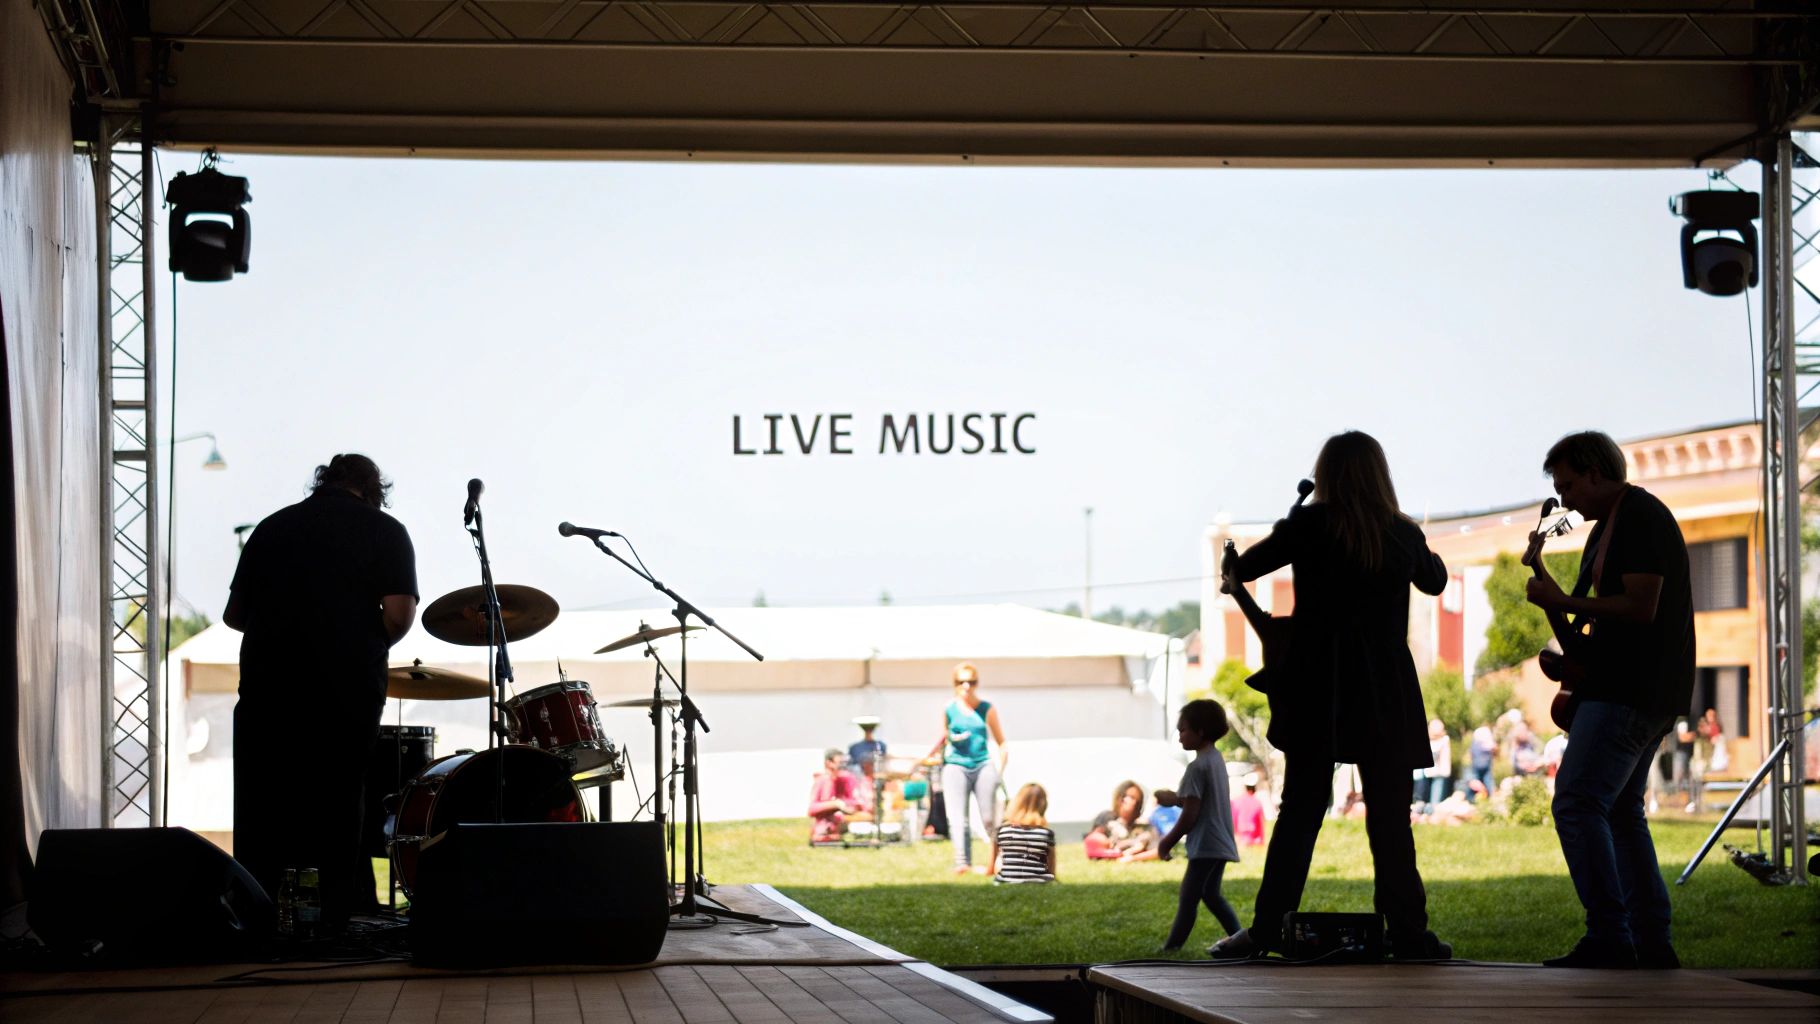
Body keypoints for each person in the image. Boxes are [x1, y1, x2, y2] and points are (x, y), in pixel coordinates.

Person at [1210, 431, 1451, 961]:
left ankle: (1268, 928)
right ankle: (1410, 933)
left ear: (1323, 476)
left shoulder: (1308, 526)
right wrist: (1412, 540)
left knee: (1300, 811)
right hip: (1385, 689)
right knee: (1390, 818)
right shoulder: (1402, 533)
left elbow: (1241, 571)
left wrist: (1279, 532)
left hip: (1320, 685)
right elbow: (1434, 582)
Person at [224, 454, 417, 929]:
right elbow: (398, 614)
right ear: (374, 490)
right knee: (338, 797)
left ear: (323, 483)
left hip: (270, 686)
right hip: (345, 686)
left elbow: (233, 615)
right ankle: (331, 920)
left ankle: (260, 918)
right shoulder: (385, 530)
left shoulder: (271, 528)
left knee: (264, 801)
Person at [1524, 430, 1694, 969]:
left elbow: (1641, 606)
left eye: (1569, 484)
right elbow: (1589, 634)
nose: (1566, 497)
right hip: (1636, 688)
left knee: (1577, 802)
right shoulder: (1607, 531)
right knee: (1620, 812)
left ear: (1597, 473)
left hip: (1631, 689)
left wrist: (1566, 599)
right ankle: (1649, 940)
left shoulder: (1639, 515)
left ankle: (1611, 936)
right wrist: (1553, 598)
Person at [1155, 699, 1241, 952]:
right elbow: (1199, 802)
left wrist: (1165, 842)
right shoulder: (1215, 759)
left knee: (1188, 897)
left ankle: (1171, 948)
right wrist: (1175, 799)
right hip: (1220, 839)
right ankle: (1240, 938)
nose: (1179, 736)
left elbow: (1191, 815)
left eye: (1183, 730)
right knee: (1211, 895)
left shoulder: (1196, 767)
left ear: (1200, 731)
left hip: (1206, 843)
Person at [925, 662, 1007, 874]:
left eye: (971, 681)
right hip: (955, 766)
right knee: (957, 817)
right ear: (954, 684)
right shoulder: (949, 709)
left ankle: (999, 861)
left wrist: (1000, 770)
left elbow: (1001, 743)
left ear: (977, 683)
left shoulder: (986, 709)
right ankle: (962, 862)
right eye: (961, 681)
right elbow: (944, 738)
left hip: (982, 764)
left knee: (989, 817)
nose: (966, 686)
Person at [992, 783, 1056, 884]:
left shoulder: (1002, 831)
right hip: (1039, 883)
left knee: (1002, 856)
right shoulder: (1046, 834)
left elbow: (992, 866)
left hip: (1005, 881)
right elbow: (1051, 869)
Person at [1088, 780, 1159, 861]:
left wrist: (1133, 858)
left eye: (1135, 798)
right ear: (1119, 797)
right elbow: (1093, 842)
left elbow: (1158, 851)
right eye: (1127, 796)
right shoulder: (1106, 817)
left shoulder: (1145, 827)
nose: (1130, 801)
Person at [808, 748, 864, 843]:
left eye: (844, 763)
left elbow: (857, 802)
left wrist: (844, 805)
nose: (843, 766)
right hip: (826, 826)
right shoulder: (822, 781)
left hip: (847, 822)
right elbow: (812, 809)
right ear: (829, 763)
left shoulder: (848, 778)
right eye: (840, 763)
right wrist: (835, 804)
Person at [1421, 719, 1453, 813]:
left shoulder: (1444, 740)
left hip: (1439, 773)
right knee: (1424, 796)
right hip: (1426, 772)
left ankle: (1432, 813)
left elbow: (1445, 758)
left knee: (1435, 798)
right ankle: (1426, 813)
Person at [1230, 776, 1267, 848]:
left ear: (1245, 787)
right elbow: (1260, 824)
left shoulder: (1236, 801)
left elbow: (1232, 820)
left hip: (1239, 840)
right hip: (1254, 841)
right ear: (1255, 787)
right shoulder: (1257, 803)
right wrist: (1262, 843)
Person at [1467, 722, 1497, 803]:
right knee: (1488, 781)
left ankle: (1473, 800)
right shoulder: (1487, 739)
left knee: (1477, 782)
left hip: (1476, 765)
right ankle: (1490, 798)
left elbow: (1471, 754)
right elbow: (1494, 748)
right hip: (1485, 765)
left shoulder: (1475, 743)